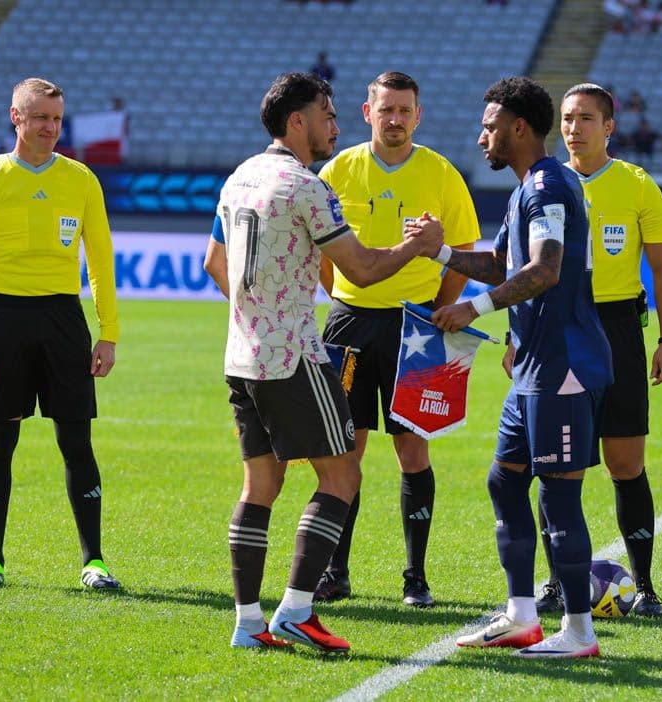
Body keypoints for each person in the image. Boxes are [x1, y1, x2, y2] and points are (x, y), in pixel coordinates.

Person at [202, 72, 442, 652]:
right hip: (295, 356)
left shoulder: (240, 177)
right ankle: (297, 610)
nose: (335, 126)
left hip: (242, 354)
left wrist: (259, 309)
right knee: (341, 474)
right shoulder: (305, 185)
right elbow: (359, 269)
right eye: (327, 116)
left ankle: (247, 623)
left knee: (261, 483)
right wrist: (416, 246)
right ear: (296, 122)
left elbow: (213, 264)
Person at [406, 76, 613, 658]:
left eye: (491, 127)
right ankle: (522, 617)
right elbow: (505, 264)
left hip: (563, 367)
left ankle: (578, 631)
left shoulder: (548, 187)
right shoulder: (529, 189)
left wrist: (467, 308)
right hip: (533, 369)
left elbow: (545, 270)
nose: (482, 139)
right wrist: (441, 253)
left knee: (558, 498)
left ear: (519, 128)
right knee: (505, 480)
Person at [312, 71, 479, 608]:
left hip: (418, 329)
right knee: (346, 451)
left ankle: (416, 576)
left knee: (413, 450)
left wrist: (436, 310)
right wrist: (343, 297)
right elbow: (321, 256)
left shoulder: (441, 174)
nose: (395, 119)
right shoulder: (339, 170)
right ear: (368, 113)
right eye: (386, 110)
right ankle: (336, 572)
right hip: (350, 326)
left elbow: (464, 249)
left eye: (405, 110)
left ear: (418, 115)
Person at [0, 77, 121, 592]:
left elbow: (100, 262)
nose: (50, 128)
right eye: (40, 118)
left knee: (76, 440)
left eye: (56, 118)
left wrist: (108, 332)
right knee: (1, 440)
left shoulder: (81, 180)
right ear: (16, 118)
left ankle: (93, 562)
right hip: (3, 321)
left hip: (64, 323)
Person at [527, 83, 662, 618]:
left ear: (609, 126)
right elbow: (519, 268)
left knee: (624, 462)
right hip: (556, 325)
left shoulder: (638, 186)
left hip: (616, 329)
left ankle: (645, 586)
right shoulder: (544, 182)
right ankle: (552, 582)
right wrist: (514, 338)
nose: (574, 127)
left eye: (586, 118)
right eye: (567, 118)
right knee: (556, 465)